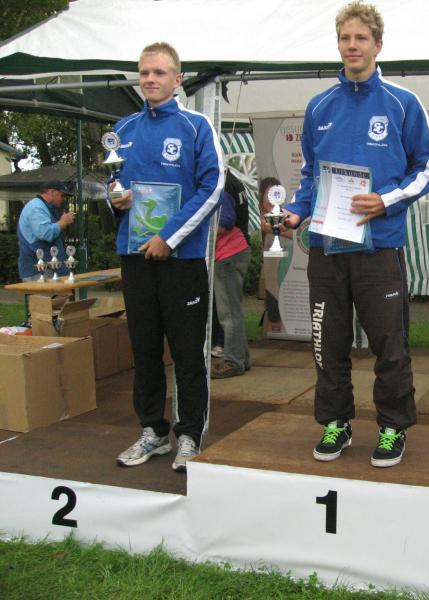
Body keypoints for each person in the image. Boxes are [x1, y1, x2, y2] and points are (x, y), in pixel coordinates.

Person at [280, 1, 429, 468]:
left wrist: (385, 201)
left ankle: (392, 427)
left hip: (379, 247)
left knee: (389, 345)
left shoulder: (401, 103)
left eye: (360, 38)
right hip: (327, 246)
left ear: (377, 45)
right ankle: (336, 422)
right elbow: (311, 175)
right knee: (327, 343)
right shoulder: (319, 106)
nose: (352, 46)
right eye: (345, 39)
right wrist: (295, 212)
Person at [111, 42, 223, 472]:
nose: (150, 80)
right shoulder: (123, 128)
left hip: (181, 259)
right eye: (144, 73)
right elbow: (113, 184)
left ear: (178, 79)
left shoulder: (196, 126)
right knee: (143, 350)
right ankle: (153, 431)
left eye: (159, 73)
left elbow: (212, 187)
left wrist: (169, 237)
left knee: (187, 352)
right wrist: (113, 198)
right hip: (135, 256)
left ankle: (190, 435)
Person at [211, 173, 251, 379]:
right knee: (233, 310)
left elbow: (224, 221)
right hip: (235, 252)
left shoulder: (222, 184)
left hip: (227, 255)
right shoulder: (231, 180)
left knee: (228, 313)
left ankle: (234, 361)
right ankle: (241, 358)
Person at [17, 180, 75, 281]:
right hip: (39, 272)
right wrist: (63, 222)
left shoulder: (43, 207)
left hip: (47, 270)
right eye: (62, 195)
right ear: (52, 192)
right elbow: (45, 233)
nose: (63, 199)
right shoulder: (36, 207)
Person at [258, 176, 286, 333]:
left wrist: (272, 228)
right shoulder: (260, 216)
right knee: (272, 313)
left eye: (275, 194)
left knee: (278, 314)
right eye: (268, 194)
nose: (271, 199)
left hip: (283, 276)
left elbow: (293, 234)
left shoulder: (286, 216)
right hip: (269, 277)